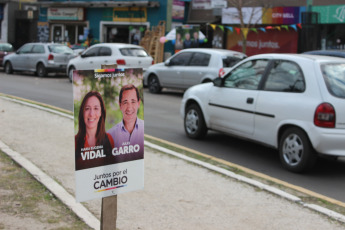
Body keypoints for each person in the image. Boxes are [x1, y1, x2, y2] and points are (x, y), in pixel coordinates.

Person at [75, 91, 114, 170]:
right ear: (82, 112)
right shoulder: (75, 142)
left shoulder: (109, 139)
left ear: (101, 113)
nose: (91, 114)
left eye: (96, 108)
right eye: (87, 108)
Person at [108, 84, 144, 163]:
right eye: (125, 102)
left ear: (138, 103)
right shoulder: (110, 135)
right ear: (120, 105)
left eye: (133, 101)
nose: (129, 107)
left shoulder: (145, 130)